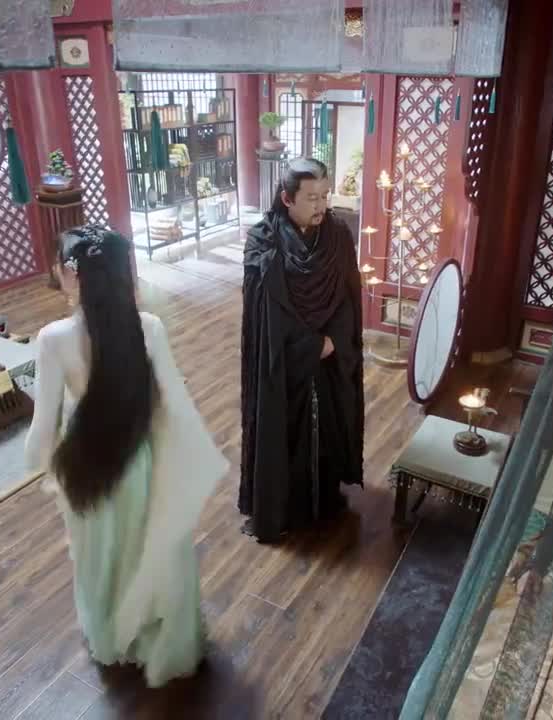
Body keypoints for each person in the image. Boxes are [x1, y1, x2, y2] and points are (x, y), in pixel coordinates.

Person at [25, 225, 228, 688]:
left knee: (100, 558)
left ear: (69, 274)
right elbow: (171, 404)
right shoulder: (149, 327)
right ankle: (152, 628)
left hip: (85, 469)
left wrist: (39, 463)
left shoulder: (53, 338)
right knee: (143, 549)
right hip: (139, 461)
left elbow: (43, 427)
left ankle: (112, 632)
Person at [239, 158, 365, 543]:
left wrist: (333, 340)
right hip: (283, 355)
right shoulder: (264, 242)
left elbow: (347, 295)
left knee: (327, 423)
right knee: (283, 429)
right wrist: (309, 345)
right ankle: (284, 506)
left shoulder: (338, 236)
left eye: (325, 196)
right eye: (312, 198)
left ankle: (323, 498)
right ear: (287, 199)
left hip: (329, 351)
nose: (321, 206)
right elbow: (265, 313)